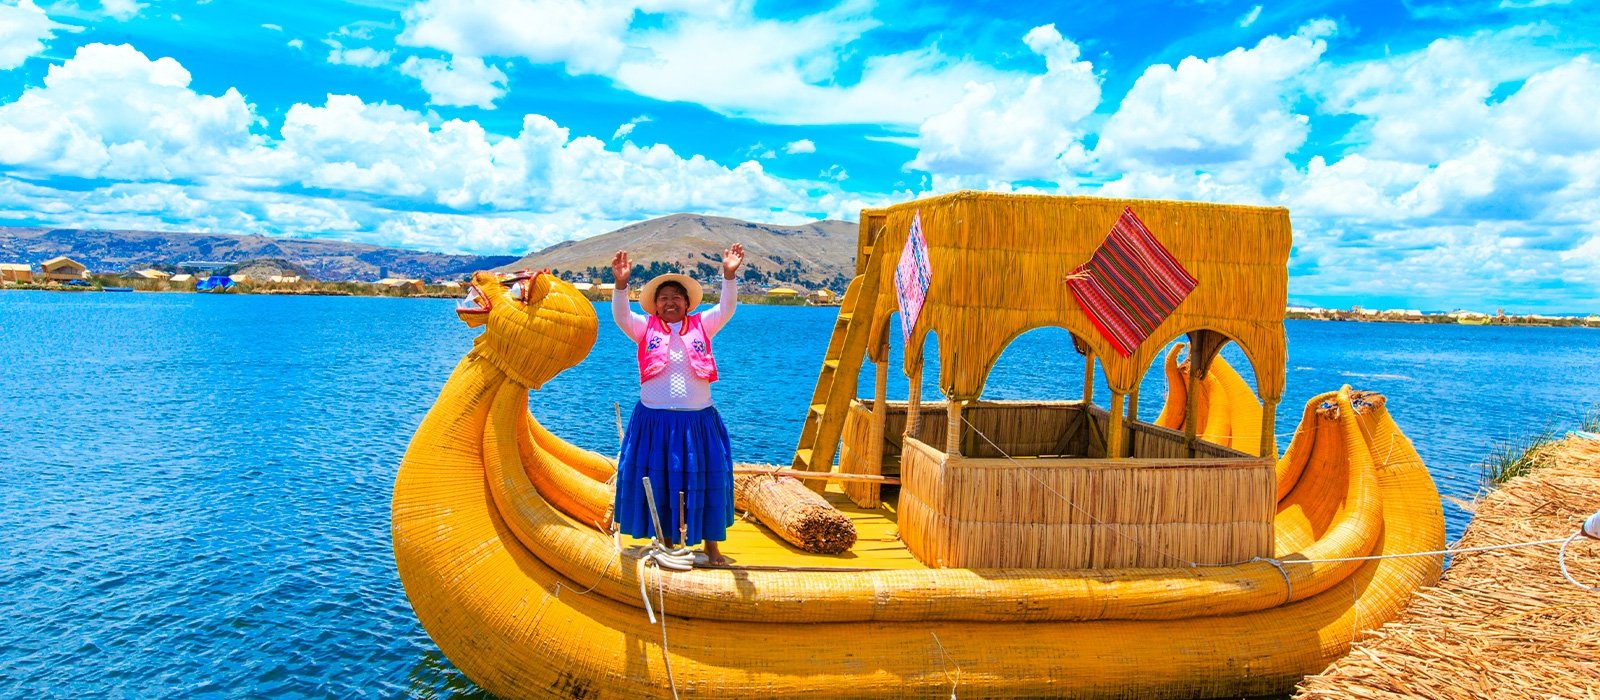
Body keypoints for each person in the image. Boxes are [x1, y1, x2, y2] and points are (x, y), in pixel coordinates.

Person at [610, 243, 744, 565]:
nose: (670, 302)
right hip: (654, 422)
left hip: (698, 422)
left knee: (706, 480)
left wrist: (728, 276)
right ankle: (666, 542)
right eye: (664, 298)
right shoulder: (644, 328)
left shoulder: (702, 325)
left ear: (687, 303)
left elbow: (726, 308)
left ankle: (711, 547)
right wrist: (620, 284)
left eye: (676, 297)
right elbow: (621, 316)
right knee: (661, 481)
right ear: (655, 305)